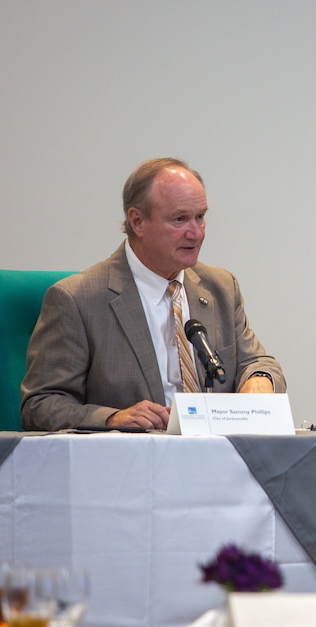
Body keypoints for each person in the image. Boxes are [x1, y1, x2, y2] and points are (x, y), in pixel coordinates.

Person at [21, 158, 285, 432]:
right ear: (137, 221)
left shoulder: (221, 287)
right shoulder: (77, 299)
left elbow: (256, 361)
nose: (196, 233)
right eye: (180, 219)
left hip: (217, 461)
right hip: (130, 464)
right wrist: (112, 418)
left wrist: (259, 379)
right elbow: (40, 405)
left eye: (200, 217)